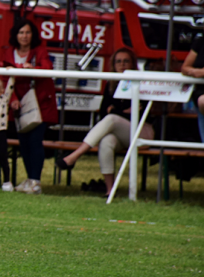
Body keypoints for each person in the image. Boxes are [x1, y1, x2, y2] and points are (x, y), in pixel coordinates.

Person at [57, 48, 154, 195]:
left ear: (133, 64)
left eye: (126, 61)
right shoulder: (111, 85)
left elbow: (138, 114)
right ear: (113, 65)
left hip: (143, 133)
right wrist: (121, 112)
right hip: (122, 133)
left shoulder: (141, 84)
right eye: (118, 62)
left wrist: (116, 111)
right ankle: (110, 189)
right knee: (107, 140)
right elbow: (104, 113)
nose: (122, 65)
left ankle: (74, 156)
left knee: (112, 119)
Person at [0, 19, 57, 195]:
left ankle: (36, 181)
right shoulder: (9, 52)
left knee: (35, 141)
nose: (24, 36)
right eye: (21, 33)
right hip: (19, 105)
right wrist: (13, 99)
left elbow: (47, 68)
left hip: (39, 103)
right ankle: (29, 179)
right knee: (23, 143)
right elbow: (4, 77)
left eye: (27, 32)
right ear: (15, 35)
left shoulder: (40, 51)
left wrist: (31, 68)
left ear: (33, 35)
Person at [181, 36, 204, 142]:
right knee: (202, 102)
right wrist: (194, 72)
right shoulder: (200, 42)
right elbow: (185, 67)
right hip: (200, 92)